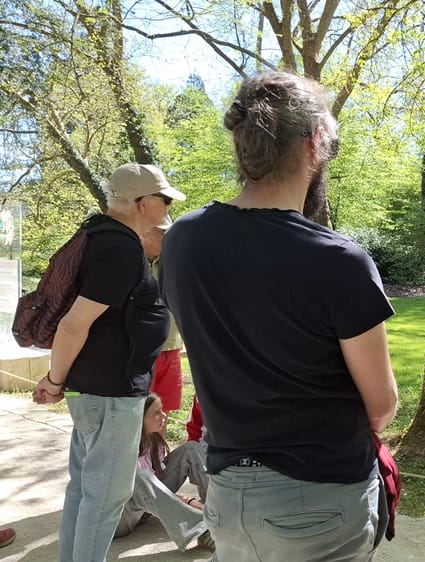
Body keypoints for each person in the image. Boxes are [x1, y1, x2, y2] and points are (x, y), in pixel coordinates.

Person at [158, 70, 398, 561]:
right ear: (315, 143)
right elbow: (382, 405)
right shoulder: (339, 260)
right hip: (318, 500)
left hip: (225, 492)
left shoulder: (182, 241)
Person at [32, 162, 184, 562]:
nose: (166, 206)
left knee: (85, 490)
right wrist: (53, 379)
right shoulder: (119, 248)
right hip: (111, 392)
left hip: (97, 389)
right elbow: (72, 325)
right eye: (164, 200)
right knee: (105, 498)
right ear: (144, 203)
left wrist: (60, 379)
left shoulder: (105, 238)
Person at [114, 394, 213, 553]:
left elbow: (156, 487)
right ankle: (203, 528)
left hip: (145, 510)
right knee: (140, 476)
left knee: (191, 448)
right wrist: (188, 501)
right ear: (139, 418)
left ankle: (219, 506)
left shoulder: (153, 440)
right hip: (120, 519)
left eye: (162, 410)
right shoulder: (124, 448)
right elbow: (145, 488)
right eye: (156, 413)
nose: (164, 415)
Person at [141, 221, 185, 413]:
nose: (166, 238)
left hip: (172, 348)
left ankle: (159, 445)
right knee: (141, 413)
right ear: (144, 232)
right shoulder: (130, 261)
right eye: (161, 233)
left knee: (162, 413)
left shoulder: (172, 263)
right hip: (143, 352)